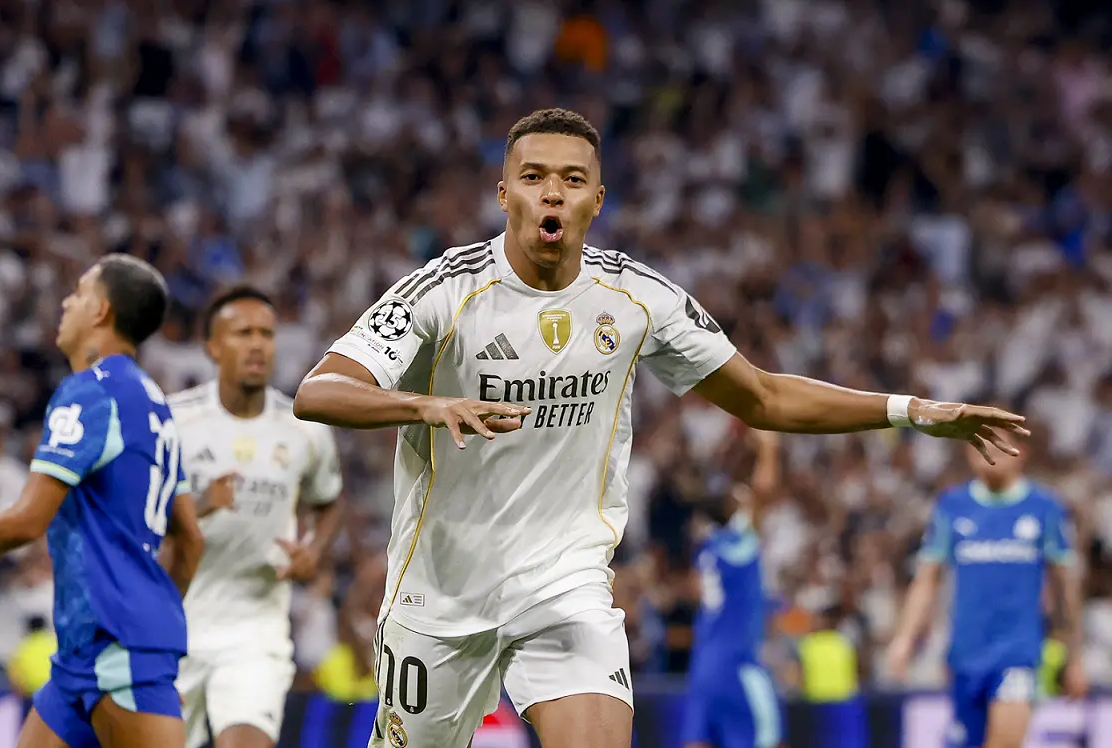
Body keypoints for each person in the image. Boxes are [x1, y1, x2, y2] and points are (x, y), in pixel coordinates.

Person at [291, 107, 1029, 748]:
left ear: (597, 199)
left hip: (564, 585)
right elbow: (319, 392)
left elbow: (764, 397)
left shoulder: (636, 298)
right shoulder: (445, 290)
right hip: (440, 594)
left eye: (573, 179)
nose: (553, 192)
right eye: (534, 176)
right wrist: (426, 405)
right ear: (504, 193)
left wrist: (909, 409)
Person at [2, 255, 205, 748]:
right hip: (83, 652)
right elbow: (190, 540)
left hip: (118, 647)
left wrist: (141, 633)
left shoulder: (89, 393)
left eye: (78, 293)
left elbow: (27, 521)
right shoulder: (153, 403)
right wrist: (151, 617)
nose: (66, 303)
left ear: (100, 311)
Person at [169, 286, 343, 748]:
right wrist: (198, 505)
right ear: (212, 346)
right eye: (242, 333)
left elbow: (328, 500)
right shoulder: (173, 422)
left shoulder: (304, 428)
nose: (257, 344)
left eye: (266, 333)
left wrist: (313, 550)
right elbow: (131, 516)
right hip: (171, 622)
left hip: (255, 629)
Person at [888, 442, 1086, 748]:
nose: (987, 454)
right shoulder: (952, 506)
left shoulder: (1043, 507)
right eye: (978, 445)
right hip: (965, 654)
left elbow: (1064, 587)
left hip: (1017, 652)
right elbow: (927, 580)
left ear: (1020, 451)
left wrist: (1075, 657)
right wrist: (904, 638)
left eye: (997, 444)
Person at [683, 429, 784, 748]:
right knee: (766, 740)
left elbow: (694, 591)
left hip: (703, 665)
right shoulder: (741, 544)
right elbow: (763, 492)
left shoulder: (707, 549)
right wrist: (768, 449)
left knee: (697, 741)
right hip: (738, 664)